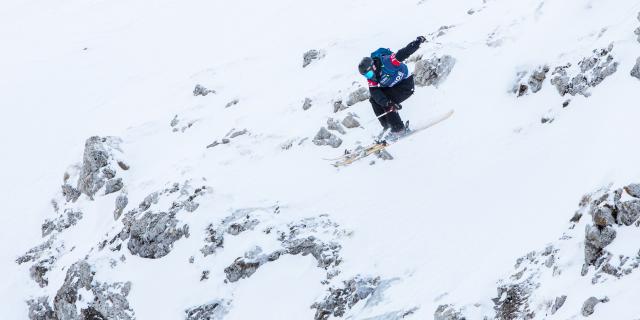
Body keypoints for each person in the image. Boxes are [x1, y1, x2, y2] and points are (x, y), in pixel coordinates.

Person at [358, 36, 427, 139]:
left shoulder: (388, 62)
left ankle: (398, 130)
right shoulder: (372, 78)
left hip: (406, 85)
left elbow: (403, 53)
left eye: (368, 74)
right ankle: (388, 126)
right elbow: (374, 91)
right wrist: (386, 102)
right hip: (393, 86)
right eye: (366, 76)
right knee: (375, 100)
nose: (369, 77)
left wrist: (417, 42)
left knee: (387, 102)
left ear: (373, 66)